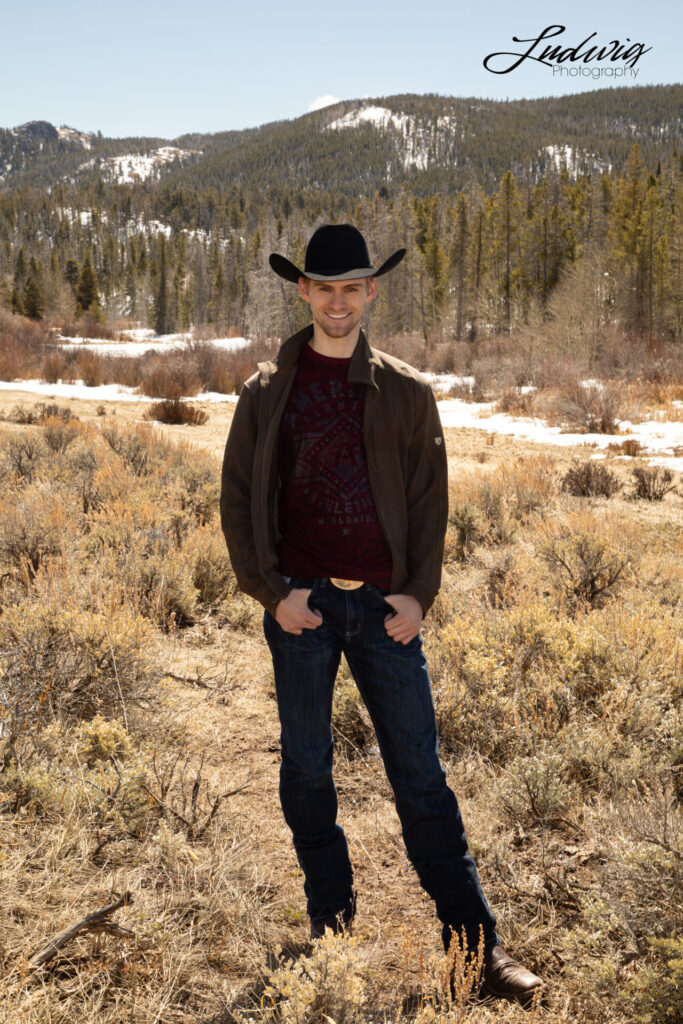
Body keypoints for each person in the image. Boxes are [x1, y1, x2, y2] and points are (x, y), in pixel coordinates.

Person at [220, 224, 542, 1002]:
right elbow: (235, 500)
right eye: (323, 288)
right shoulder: (268, 391)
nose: (337, 302)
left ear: (371, 292)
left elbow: (432, 503)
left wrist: (416, 596)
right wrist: (274, 595)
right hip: (303, 605)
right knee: (306, 771)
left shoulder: (406, 391)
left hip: (382, 611)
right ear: (303, 292)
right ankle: (330, 925)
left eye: (351, 288)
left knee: (421, 778)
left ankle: (476, 951)